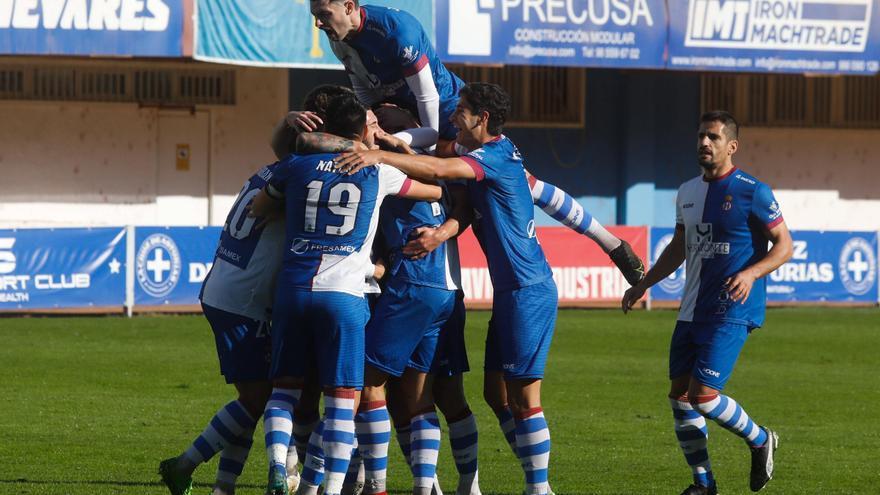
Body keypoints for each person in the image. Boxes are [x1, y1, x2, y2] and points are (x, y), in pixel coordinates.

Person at [335, 83, 558, 495]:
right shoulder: (453, 155)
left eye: (461, 111)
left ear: (482, 118)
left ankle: (537, 488)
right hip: (465, 290)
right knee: (464, 394)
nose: (452, 117)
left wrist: (378, 151)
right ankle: (460, 486)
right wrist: (398, 146)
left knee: (365, 383)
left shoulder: (480, 157)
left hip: (503, 288)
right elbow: (456, 194)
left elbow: (438, 174)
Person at [250, 94, 443, 495]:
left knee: (285, 389)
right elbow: (434, 191)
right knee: (342, 398)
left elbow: (260, 207)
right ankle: (333, 487)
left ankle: (277, 464)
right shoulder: (379, 172)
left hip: (294, 289)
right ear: (359, 132)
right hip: (344, 296)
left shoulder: (297, 165)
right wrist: (391, 153)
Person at [621, 111, 792, 495]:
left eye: (713, 137)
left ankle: (760, 438)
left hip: (732, 308)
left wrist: (751, 274)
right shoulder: (687, 192)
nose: (704, 143)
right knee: (680, 398)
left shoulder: (754, 191)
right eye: (701, 135)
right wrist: (644, 283)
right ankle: (703, 483)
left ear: (732, 146)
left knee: (703, 396)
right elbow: (679, 246)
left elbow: (785, 245)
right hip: (691, 309)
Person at [158, 160, 285, 495]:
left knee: (253, 399)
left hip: (229, 290)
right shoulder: (298, 172)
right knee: (258, 398)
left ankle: (222, 487)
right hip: (243, 299)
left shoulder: (271, 169)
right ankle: (183, 466)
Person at [311, 0, 464, 146]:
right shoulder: (338, 39)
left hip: (448, 110)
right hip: (405, 118)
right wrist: (378, 122)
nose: (317, 23)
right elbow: (365, 95)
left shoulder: (397, 31)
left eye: (324, 14)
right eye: (315, 16)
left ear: (349, 7)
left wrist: (428, 153)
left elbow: (427, 97)